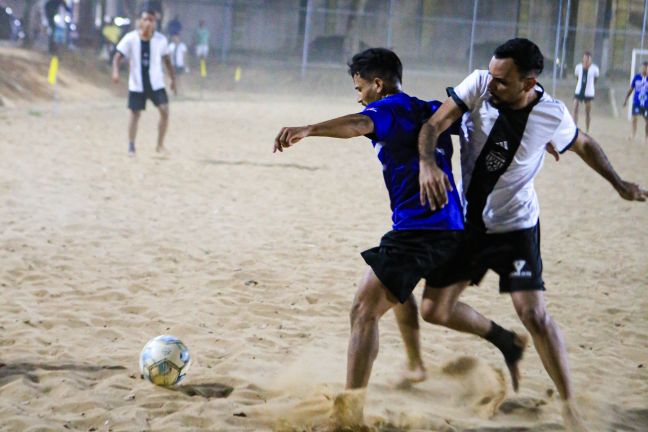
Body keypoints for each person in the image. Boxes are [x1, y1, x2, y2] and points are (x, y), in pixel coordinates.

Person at [274, 48, 528, 427]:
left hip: (420, 231)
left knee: (363, 310)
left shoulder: (387, 108)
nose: (358, 95)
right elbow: (480, 122)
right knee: (428, 305)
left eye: (360, 88)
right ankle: (495, 342)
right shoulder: (427, 107)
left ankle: (350, 412)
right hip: (453, 227)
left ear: (378, 84)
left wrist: (309, 129)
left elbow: (358, 124)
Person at [417, 38, 647, 431]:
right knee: (434, 310)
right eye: (491, 76)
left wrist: (619, 183)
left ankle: (571, 404)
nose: (492, 85)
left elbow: (584, 143)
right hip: (471, 225)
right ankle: (504, 339)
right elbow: (433, 124)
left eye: (502, 81)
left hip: (516, 227)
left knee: (535, 315)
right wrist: (426, 163)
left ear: (528, 82)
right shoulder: (478, 84)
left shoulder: (551, 115)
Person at [112, 10, 176, 156]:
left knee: (165, 112)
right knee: (135, 114)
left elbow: (167, 60)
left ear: (155, 23)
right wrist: (115, 72)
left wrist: (173, 79)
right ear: (140, 22)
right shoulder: (130, 38)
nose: (149, 23)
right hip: (137, 84)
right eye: (146, 19)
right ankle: (131, 145)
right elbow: (117, 57)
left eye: (152, 20)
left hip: (156, 83)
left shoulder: (161, 40)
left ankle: (160, 145)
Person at [572, 51, 599, 133]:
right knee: (575, 107)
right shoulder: (578, 67)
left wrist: (590, 86)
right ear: (583, 59)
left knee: (587, 111)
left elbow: (595, 79)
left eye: (588, 59)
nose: (586, 61)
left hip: (589, 92)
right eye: (585, 58)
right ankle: (574, 128)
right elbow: (577, 77)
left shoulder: (595, 69)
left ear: (591, 60)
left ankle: (587, 129)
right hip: (578, 90)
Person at [623, 61, 648, 143]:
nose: (644, 69)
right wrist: (626, 99)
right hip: (636, 102)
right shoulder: (636, 77)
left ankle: (646, 138)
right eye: (643, 68)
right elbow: (631, 89)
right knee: (634, 119)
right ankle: (633, 135)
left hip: (646, 104)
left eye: (646, 68)